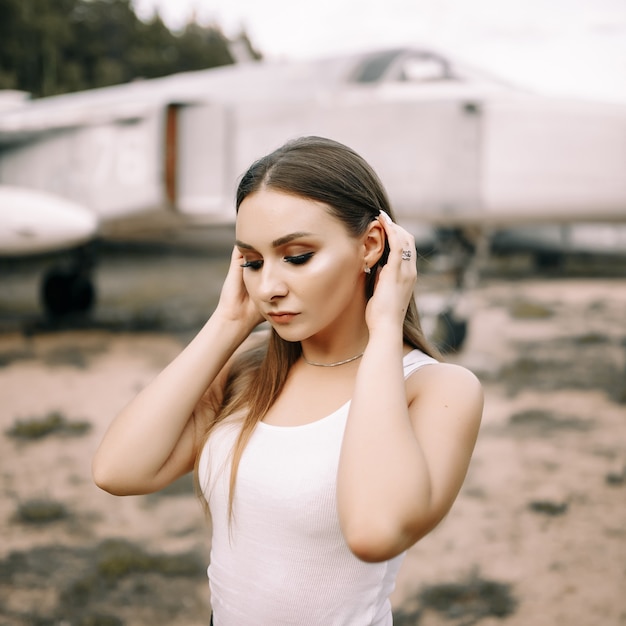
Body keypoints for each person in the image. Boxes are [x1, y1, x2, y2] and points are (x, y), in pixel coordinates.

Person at [92, 136, 483, 625]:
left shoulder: (437, 390)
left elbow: (373, 531)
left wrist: (385, 326)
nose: (270, 288)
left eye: (296, 256)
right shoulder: (247, 373)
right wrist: (228, 323)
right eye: (252, 262)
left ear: (370, 245)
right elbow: (117, 471)